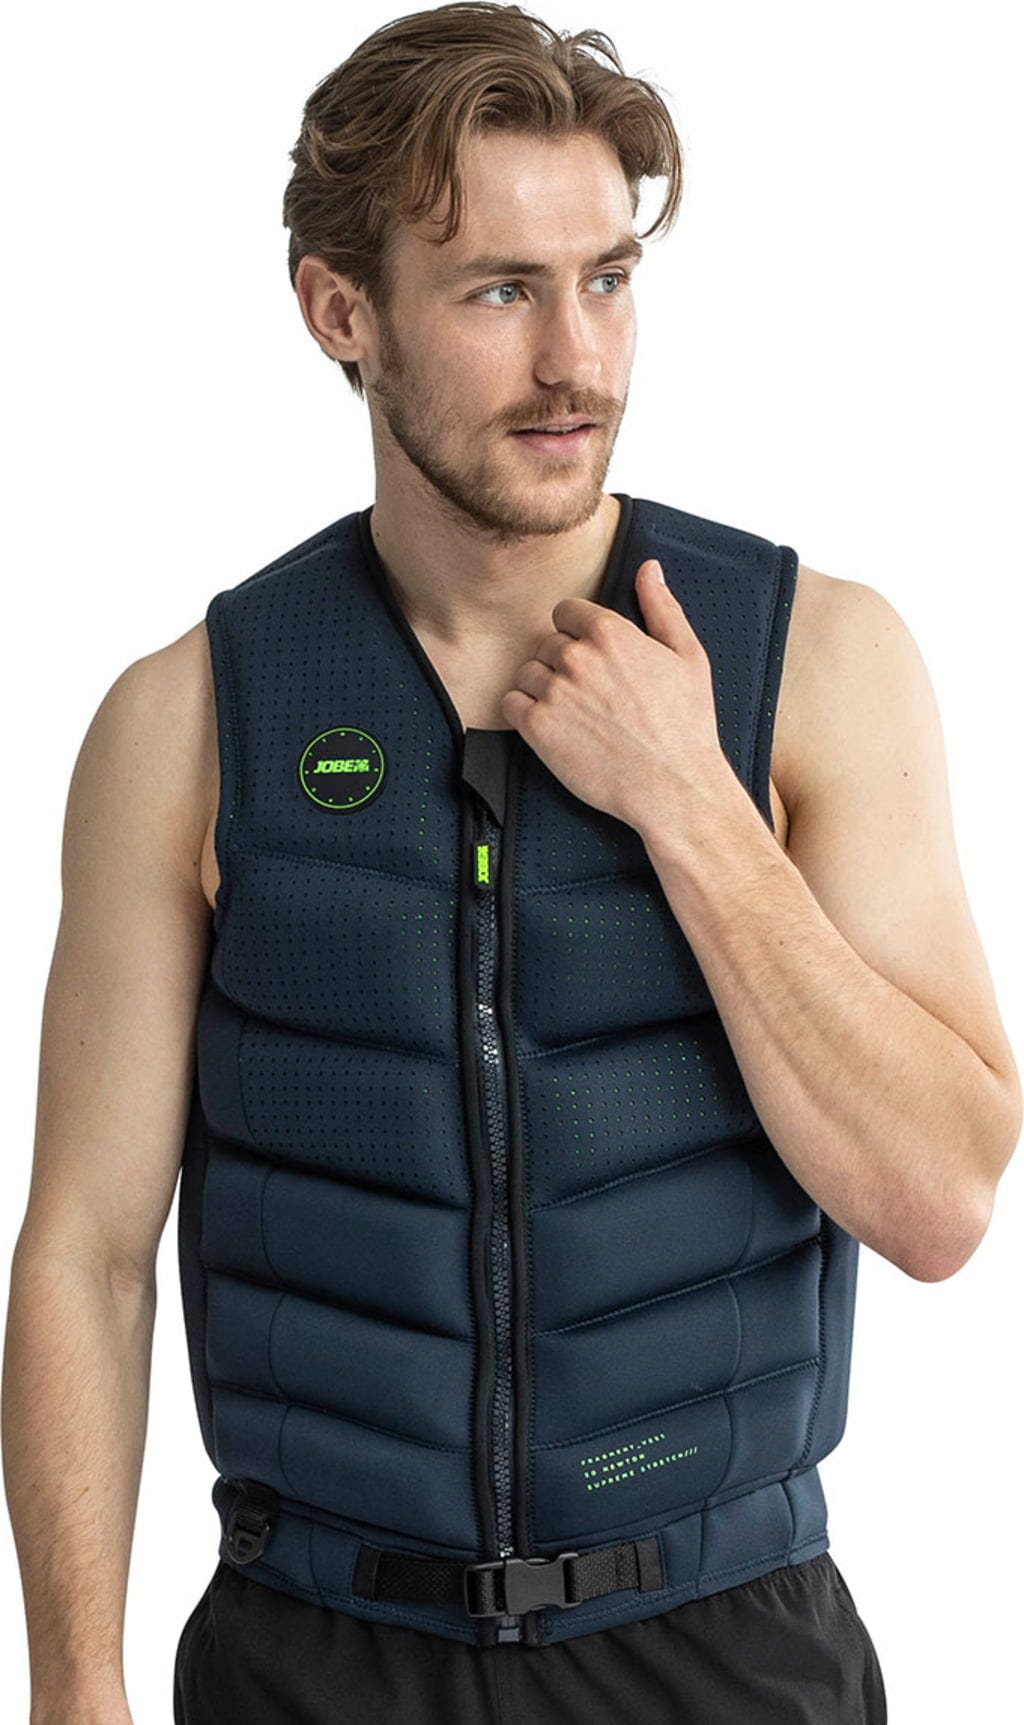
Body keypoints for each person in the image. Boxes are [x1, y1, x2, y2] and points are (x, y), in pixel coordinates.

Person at [4, 3, 1020, 1722]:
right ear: (341, 310)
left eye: (608, 280)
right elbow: (86, 1251)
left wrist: (693, 804)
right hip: (312, 1657)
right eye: (500, 292)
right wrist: (72, 1687)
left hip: (725, 1650)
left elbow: (941, 1199)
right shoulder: (188, 721)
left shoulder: (813, 665)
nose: (577, 361)